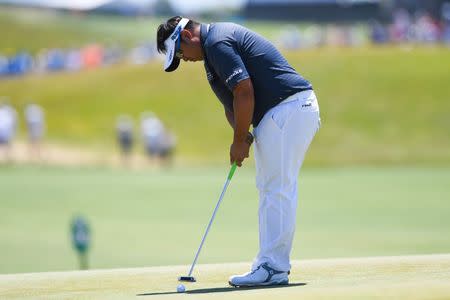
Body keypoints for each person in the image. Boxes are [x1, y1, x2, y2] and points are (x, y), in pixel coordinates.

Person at [157, 17, 321, 287]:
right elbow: (232, 105)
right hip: (284, 112)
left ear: (187, 35)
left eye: (181, 53)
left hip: (288, 108)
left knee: (276, 187)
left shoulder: (218, 42)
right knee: (271, 187)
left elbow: (244, 92)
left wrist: (238, 141)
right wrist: (241, 136)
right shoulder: (210, 56)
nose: (183, 60)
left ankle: (274, 267)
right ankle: (270, 263)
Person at [0, 99, 17, 163]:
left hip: (4, 131)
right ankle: (8, 159)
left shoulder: (8, 112)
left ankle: (8, 159)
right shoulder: (11, 112)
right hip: (6, 131)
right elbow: (14, 123)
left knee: (6, 146)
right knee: (7, 146)